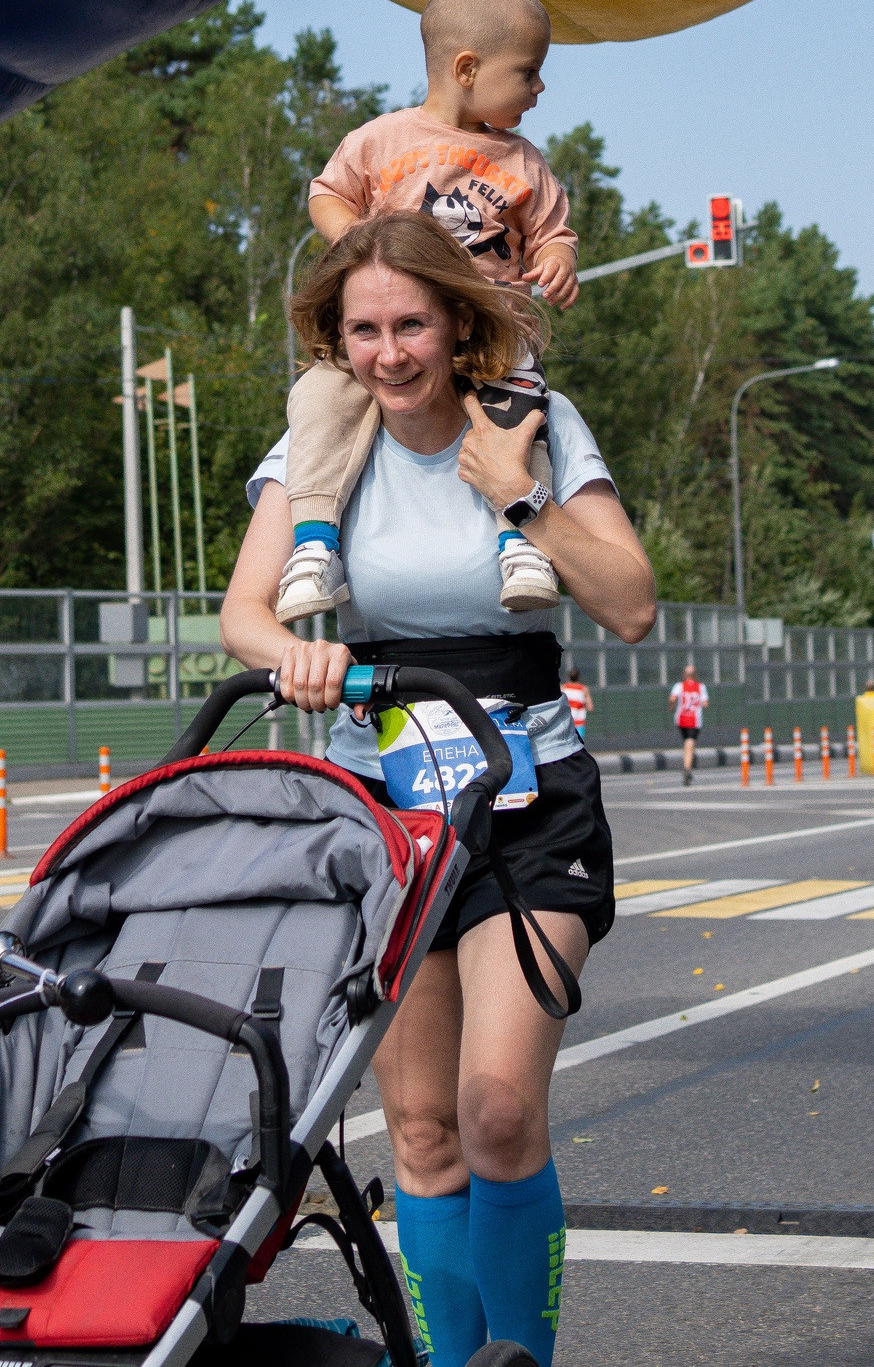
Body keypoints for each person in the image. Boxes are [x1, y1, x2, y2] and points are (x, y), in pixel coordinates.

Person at [222, 212, 655, 1367]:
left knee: (498, 1108)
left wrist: (520, 500)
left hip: (526, 794)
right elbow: (244, 614)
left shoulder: (532, 421)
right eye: (362, 329)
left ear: (458, 321)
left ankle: (519, 1359)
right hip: (385, 809)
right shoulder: (320, 446)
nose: (388, 353)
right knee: (420, 1130)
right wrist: (294, 656)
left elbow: (629, 602)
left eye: (410, 323)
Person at [275, 0, 581, 627]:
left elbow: (555, 234)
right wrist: (356, 239)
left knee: (520, 409)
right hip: (407, 328)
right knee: (320, 394)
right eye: (528, 72)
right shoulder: (381, 141)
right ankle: (314, 543)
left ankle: (520, 541)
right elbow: (325, 193)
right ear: (467, 67)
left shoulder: (526, 163)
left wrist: (555, 264)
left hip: (493, 332)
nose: (539, 88)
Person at [669, 663, 708, 786]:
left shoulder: (679, 686)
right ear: (695, 675)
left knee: (687, 743)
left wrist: (671, 706)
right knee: (690, 743)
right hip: (694, 720)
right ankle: (687, 768)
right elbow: (705, 703)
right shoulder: (700, 687)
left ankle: (687, 765)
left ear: (684, 675)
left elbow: (672, 699)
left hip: (681, 719)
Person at [561, 665, 593, 742]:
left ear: (568, 677)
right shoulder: (583, 689)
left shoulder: (563, 688)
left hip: (566, 721)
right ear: (579, 677)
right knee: (578, 744)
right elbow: (590, 707)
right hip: (579, 722)